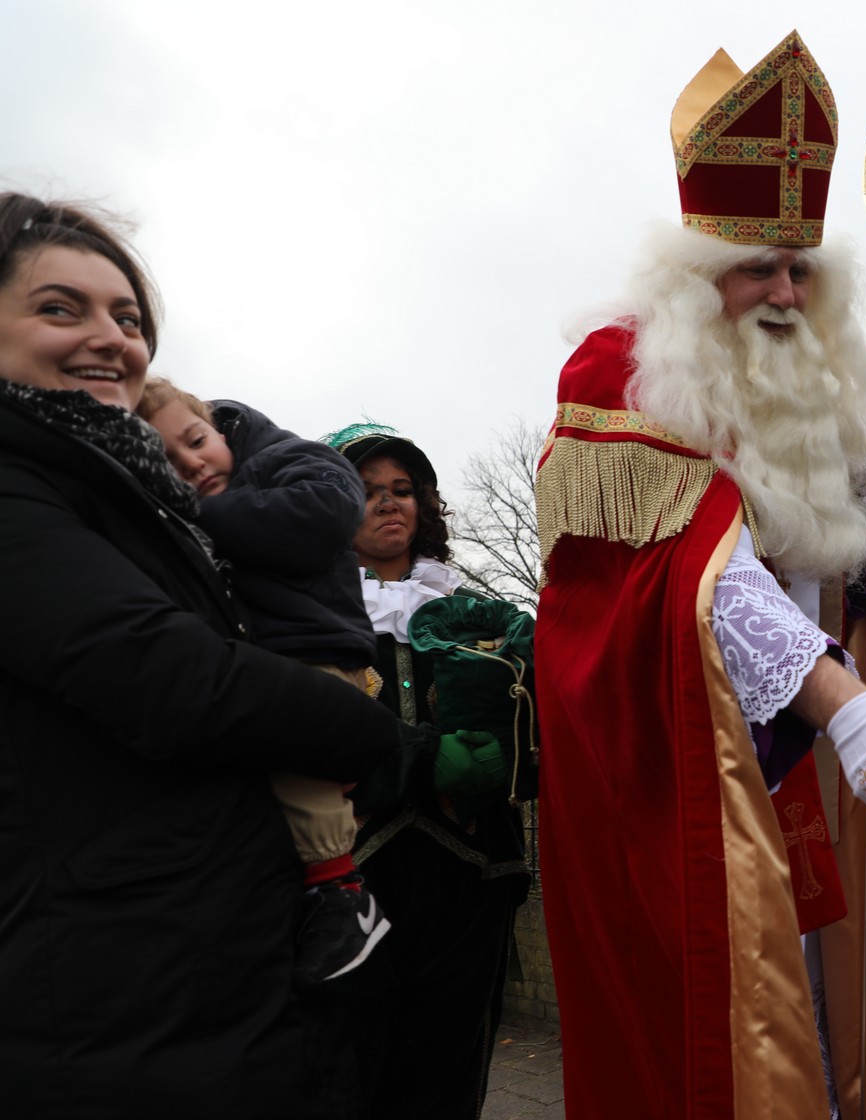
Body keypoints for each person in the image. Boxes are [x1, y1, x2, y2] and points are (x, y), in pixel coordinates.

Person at [533, 30, 866, 1119]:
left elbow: (814, 566)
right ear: (694, 276)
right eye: (755, 267)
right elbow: (701, 582)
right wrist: (847, 705)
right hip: (682, 763)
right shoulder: (623, 373)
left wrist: (862, 506)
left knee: (825, 998)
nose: (782, 290)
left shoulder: (814, 378)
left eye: (800, 267)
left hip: (806, 756)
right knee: (729, 1023)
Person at [0, 195, 406, 1119]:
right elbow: (172, 677)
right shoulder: (24, 487)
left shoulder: (131, 492)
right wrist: (375, 735)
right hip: (114, 995)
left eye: (128, 317)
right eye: (60, 308)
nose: (110, 338)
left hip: (204, 969)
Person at [138, 376, 392, 985]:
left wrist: (195, 514)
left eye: (195, 440)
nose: (192, 464)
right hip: (263, 663)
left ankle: (342, 893)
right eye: (168, 463)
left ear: (218, 426)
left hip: (313, 653)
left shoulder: (286, 458)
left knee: (297, 772)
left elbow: (326, 509)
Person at [318, 422, 534, 1120]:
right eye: (366, 491)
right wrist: (420, 759)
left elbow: (525, 728)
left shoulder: (475, 611)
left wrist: (513, 755)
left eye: (403, 489)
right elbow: (303, 731)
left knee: (449, 1068)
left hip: (470, 869)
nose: (389, 503)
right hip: (355, 870)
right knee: (354, 1067)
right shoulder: (308, 614)